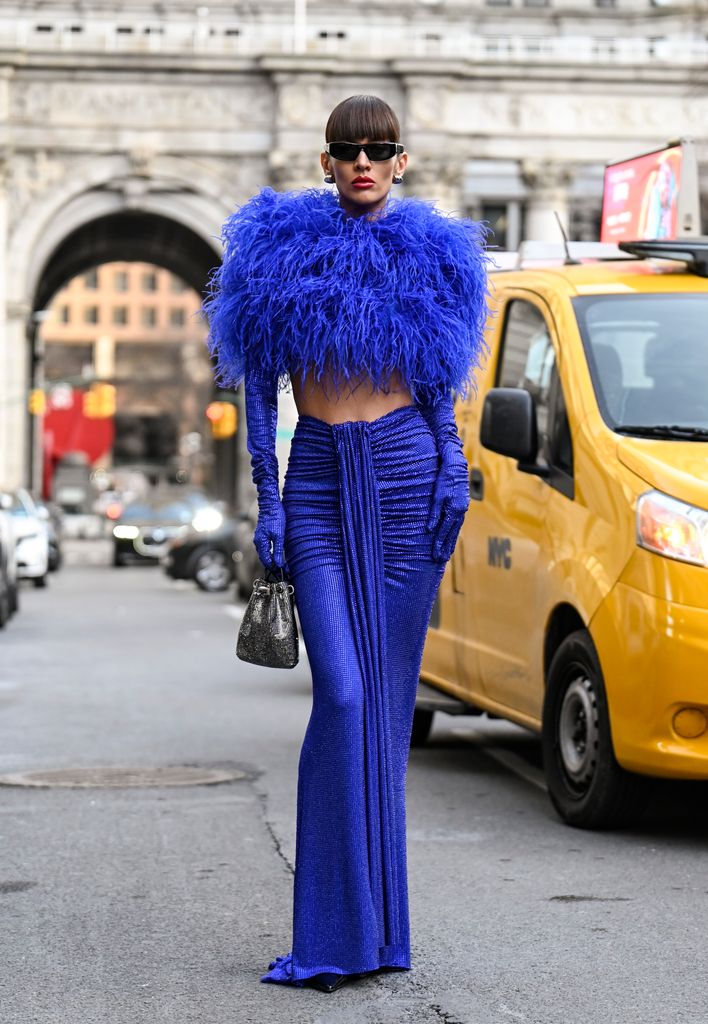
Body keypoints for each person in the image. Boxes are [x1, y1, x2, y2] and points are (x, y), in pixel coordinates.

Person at [202, 94, 490, 994]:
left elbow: (439, 386)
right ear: (325, 162)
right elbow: (256, 390)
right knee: (345, 696)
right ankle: (331, 933)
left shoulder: (436, 254)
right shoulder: (279, 251)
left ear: (401, 162)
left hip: (408, 480)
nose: (363, 161)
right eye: (347, 149)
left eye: (380, 149)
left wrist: (452, 474)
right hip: (322, 479)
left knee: (387, 709)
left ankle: (378, 934)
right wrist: (270, 498)